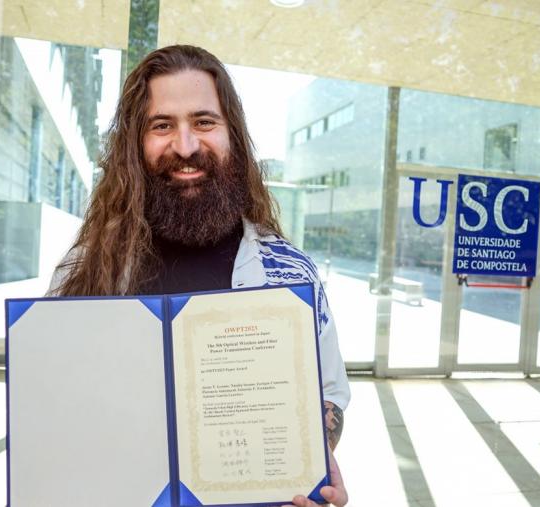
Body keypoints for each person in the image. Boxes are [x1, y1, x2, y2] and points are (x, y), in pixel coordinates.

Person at [48, 45, 349, 507]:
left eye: (204, 122)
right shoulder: (85, 270)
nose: (185, 147)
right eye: (162, 125)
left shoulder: (291, 275)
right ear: (134, 143)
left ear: (234, 136)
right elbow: (52, 401)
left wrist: (313, 461)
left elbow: (327, 394)